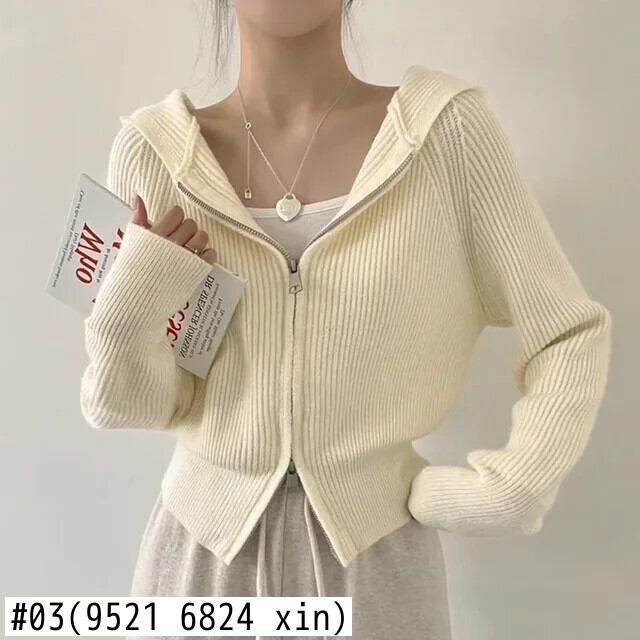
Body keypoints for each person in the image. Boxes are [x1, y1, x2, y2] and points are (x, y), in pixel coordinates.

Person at [79, 2, 612, 639]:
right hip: (199, 563)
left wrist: (516, 487)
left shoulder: (444, 135)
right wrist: (123, 315)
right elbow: (130, 405)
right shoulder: (152, 153)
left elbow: (568, 332)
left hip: (376, 567)